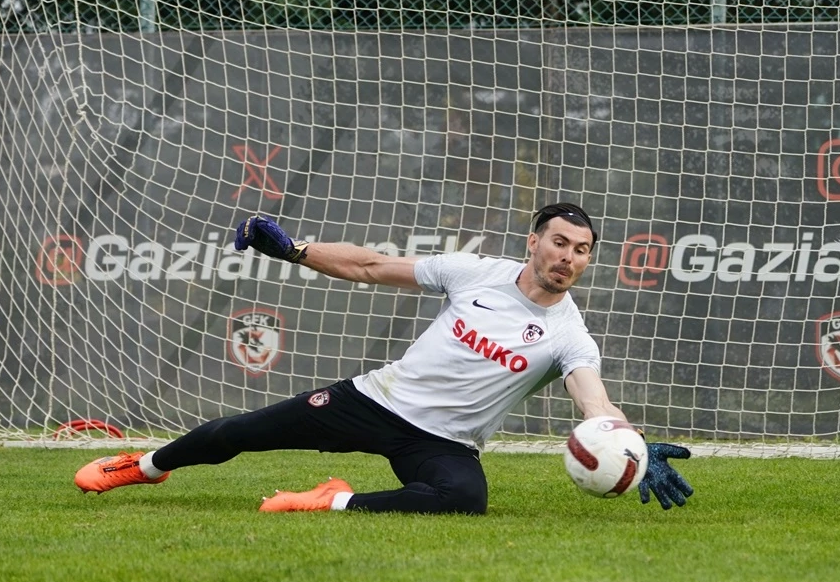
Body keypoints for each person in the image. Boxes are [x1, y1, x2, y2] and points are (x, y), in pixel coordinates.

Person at [74, 203, 694, 514]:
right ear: (534, 242)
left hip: (444, 442)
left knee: (463, 500)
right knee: (243, 431)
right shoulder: (472, 271)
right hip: (375, 401)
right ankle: (146, 465)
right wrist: (295, 250)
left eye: (582, 251)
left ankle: (330, 501)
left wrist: (632, 448)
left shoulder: (568, 334)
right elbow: (369, 266)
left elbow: (596, 404)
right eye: (560, 242)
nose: (569, 257)